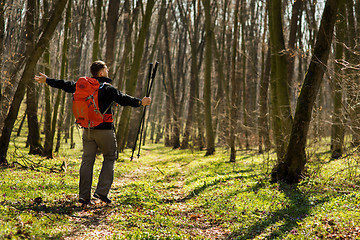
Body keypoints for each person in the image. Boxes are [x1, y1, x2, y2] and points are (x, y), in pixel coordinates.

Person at [34, 60, 151, 205]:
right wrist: (141, 102)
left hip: (87, 130)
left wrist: (47, 80)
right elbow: (124, 99)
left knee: (87, 161)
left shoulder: (82, 86)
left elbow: (65, 84)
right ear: (101, 72)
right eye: (106, 68)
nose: (108, 70)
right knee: (109, 157)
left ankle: (84, 195)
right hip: (105, 130)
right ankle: (101, 192)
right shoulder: (108, 89)